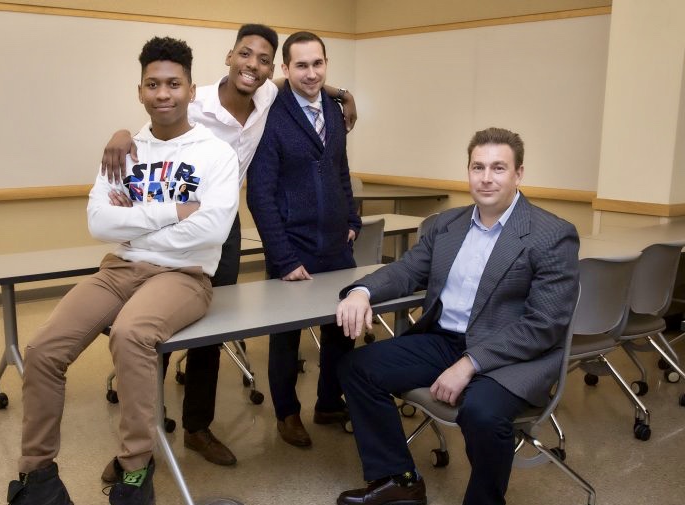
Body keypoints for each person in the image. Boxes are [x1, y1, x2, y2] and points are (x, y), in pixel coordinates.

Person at [99, 24, 358, 467]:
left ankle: (198, 427)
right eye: (245, 54)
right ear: (229, 55)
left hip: (222, 226)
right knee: (147, 332)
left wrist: (342, 93)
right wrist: (123, 131)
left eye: (261, 59)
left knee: (209, 331)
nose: (251, 65)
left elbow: (299, 78)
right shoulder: (191, 97)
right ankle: (139, 442)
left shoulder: (266, 98)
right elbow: (152, 123)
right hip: (168, 220)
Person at [6, 36, 239, 505]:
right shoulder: (122, 151)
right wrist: (173, 213)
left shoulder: (217, 154)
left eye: (173, 83)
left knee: (131, 335)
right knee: (42, 349)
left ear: (192, 91)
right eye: (153, 84)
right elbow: (99, 223)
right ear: (140, 92)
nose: (163, 93)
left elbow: (212, 230)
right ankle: (38, 478)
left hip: (184, 276)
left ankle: (134, 474)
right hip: (119, 268)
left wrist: (133, 226)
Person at [334, 127, 579, 505]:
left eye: (498, 168)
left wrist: (470, 364)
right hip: (446, 340)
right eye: (477, 167)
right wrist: (361, 292)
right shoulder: (446, 226)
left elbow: (543, 326)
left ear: (519, 174)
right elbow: (406, 270)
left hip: (509, 354)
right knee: (357, 366)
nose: (486, 178)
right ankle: (399, 481)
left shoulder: (551, 235)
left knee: (481, 413)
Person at [246, 31, 362, 448]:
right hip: (292, 247)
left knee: (342, 332)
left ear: (326, 65)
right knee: (286, 338)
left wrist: (352, 219)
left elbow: (341, 171)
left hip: (336, 244)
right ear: (285, 69)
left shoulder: (333, 110)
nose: (310, 73)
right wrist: (283, 256)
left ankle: (329, 402)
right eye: (301, 65)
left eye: (317, 64)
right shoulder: (269, 115)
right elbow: (259, 193)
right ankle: (287, 413)